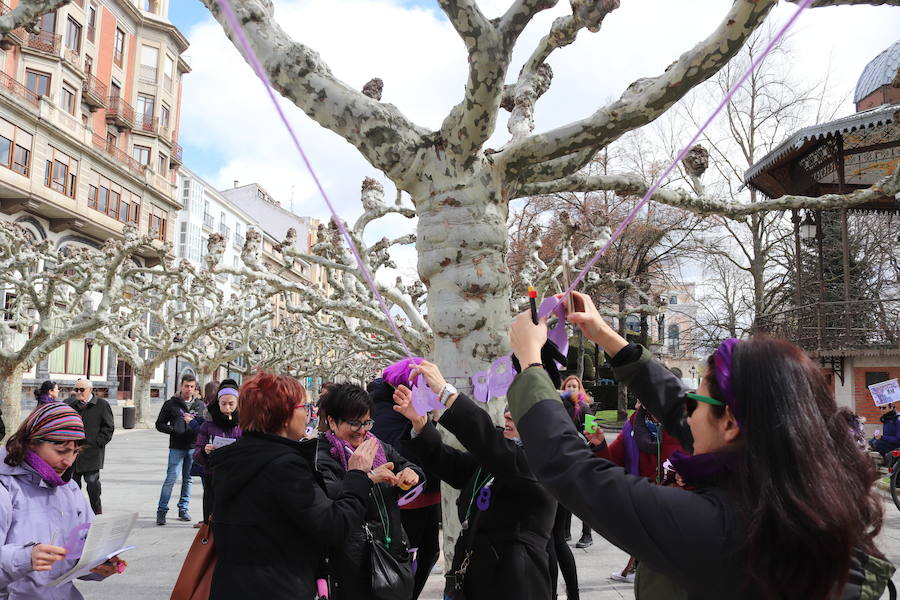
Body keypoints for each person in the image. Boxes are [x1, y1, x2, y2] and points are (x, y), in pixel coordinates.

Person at [506, 291, 894, 599]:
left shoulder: (717, 527)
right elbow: (675, 404)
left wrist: (530, 362)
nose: (685, 413)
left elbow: (572, 469)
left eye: (698, 400)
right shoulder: (791, 487)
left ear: (730, 423)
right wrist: (605, 336)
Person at [392, 361, 557, 600]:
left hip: (513, 585)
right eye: (510, 407)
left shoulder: (540, 462)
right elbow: (452, 465)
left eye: (521, 410)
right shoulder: (506, 455)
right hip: (474, 576)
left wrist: (446, 394)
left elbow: (486, 440)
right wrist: (421, 425)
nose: (508, 414)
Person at [209, 371, 377, 600]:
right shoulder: (283, 466)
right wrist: (358, 474)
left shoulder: (232, 459)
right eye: (303, 406)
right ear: (284, 415)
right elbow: (333, 525)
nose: (308, 413)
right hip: (278, 588)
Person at [0, 402, 126, 599]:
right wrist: (24, 558)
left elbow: (82, 549)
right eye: (61, 451)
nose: (68, 462)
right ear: (31, 442)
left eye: (75, 452)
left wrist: (97, 564)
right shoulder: (5, 488)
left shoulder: (69, 488)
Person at [315, 382, 423, 600]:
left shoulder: (377, 445)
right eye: (354, 423)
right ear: (332, 422)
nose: (362, 430)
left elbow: (408, 466)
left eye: (367, 422)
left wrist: (411, 475)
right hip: (349, 561)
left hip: (390, 551)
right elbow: (328, 494)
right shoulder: (321, 455)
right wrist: (366, 478)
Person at [585, 401, 686, 583]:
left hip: (677, 510)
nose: (639, 403)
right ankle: (636, 572)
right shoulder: (632, 426)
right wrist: (599, 445)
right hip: (643, 503)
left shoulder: (686, 425)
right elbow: (611, 463)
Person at [370, 357, 441, 600]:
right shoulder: (387, 412)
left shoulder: (415, 409)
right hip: (407, 499)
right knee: (406, 556)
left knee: (429, 552)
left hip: (427, 495)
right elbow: (398, 454)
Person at [154, 373, 204, 526]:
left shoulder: (200, 405)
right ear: (181, 386)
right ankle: (162, 510)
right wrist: (173, 429)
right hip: (176, 447)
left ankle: (183, 509)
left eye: (192, 387)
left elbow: (204, 426)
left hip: (193, 447)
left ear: (195, 388)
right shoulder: (171, 404)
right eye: (186, 386)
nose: (189, 389)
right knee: (171, 478)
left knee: (188, 479)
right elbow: (159, 423)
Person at [193, 381, 241, 526]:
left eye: (231, 404)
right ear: (218, 403)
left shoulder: (245, 423)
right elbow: (196, 456)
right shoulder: (208, 424)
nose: (227, 408)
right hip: (213, 478)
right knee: (212, 524)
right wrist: (204, 451)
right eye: (223, 403)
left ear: (238, 403)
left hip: (237, 478)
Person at [67, 379, 114, 516]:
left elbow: (109, 427)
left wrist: (98, 442)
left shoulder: (102, 405)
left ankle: (96, 510)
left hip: (92, 453)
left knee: (92, 483)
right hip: (74, 453)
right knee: (73, 485)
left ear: (90, 390)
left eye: (82, 390)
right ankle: (77, 512)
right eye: (76, 390)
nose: (79, 393)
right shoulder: (71, 405)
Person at [558, 375, 593, 553]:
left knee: (582, 498)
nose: (571, 388)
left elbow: (593, 432)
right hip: (564, 458)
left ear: (580, 389)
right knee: (565, 496)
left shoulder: (585, 408)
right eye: (568, 385)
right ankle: (564, 532)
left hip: (581, 457)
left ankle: (587, 534)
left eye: (575, 386)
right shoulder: (559, 407)